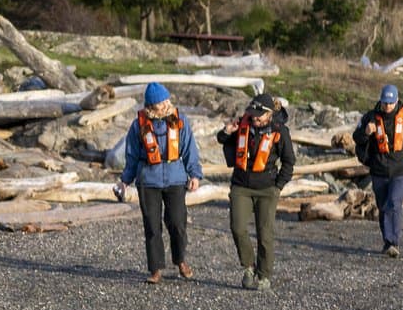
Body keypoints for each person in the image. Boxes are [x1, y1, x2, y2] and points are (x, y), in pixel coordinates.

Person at [114, 82, 201, 284]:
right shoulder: (138, 125)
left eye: (164, 102)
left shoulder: (181, 121)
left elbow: (190, 150)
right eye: (157, 105)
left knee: (177, 223)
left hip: (175, 179)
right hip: (148, 181)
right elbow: (132, 156)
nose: (162, 107)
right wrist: (124, 182)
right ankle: (155, 269)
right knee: (152, 226)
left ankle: (180, 260)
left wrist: (194, 175)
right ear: (149, 106)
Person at [221, 94, 295, 291]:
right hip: (241, 185)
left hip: (267, 188)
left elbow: (289, 161)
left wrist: (278, 186)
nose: (255, 118)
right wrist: (227, 132)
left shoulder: (280, 131)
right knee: (237, 228)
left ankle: (264, 276)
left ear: (269, 114)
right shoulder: (242, 125)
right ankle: (249, 267)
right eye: (253, 115)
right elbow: (222, 140)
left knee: (265, 233)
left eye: (259, 116)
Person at [354, 83, 403, 258]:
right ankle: (387, 241)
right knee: (382, 207)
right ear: (381, 100)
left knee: (394, 203)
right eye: (385, 103)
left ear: (396, 101)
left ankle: (393, 241)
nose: (388, 106)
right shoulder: (370, 118)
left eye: (391, 103)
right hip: (378, 169)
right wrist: (366, 132)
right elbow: (356, 138)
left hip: (400, 170)